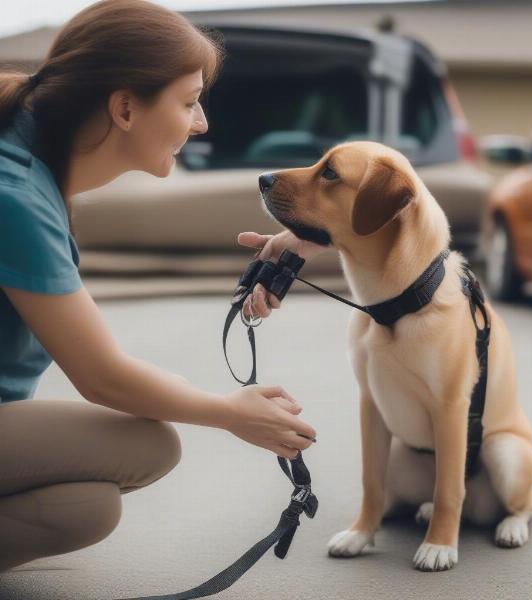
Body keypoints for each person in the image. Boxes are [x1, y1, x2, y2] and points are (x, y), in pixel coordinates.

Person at [0, 0, 326, 573]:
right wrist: (231, 412)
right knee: (146, 445)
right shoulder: (15, 194)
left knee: (85, 509)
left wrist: (307, 238)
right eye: (189, 101)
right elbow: (102, 376)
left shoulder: (26, 158)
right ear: (125, 107)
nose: (201, 123)